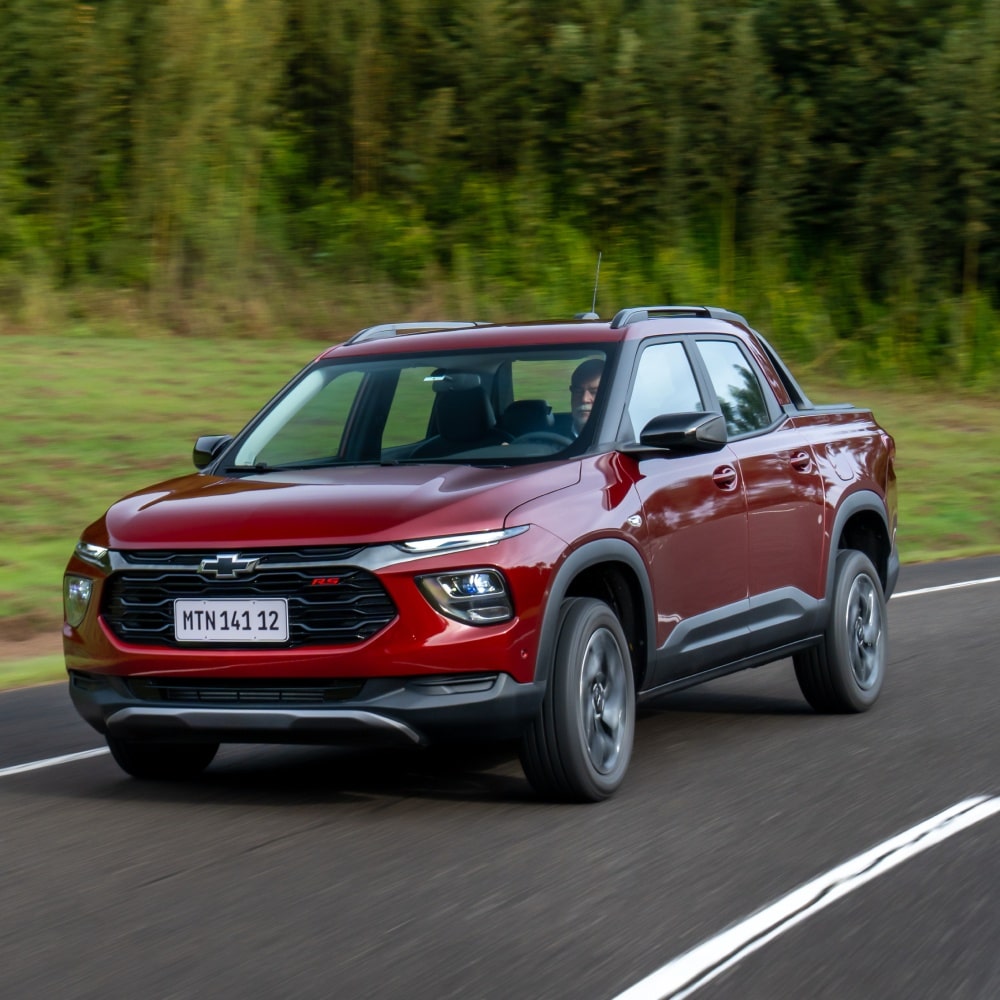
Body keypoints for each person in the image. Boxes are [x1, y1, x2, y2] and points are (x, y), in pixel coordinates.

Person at [569, 358, 604, 435]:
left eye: (594, 392)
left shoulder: (623, 439)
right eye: (578, 392)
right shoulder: (549, 438)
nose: (584, 399)